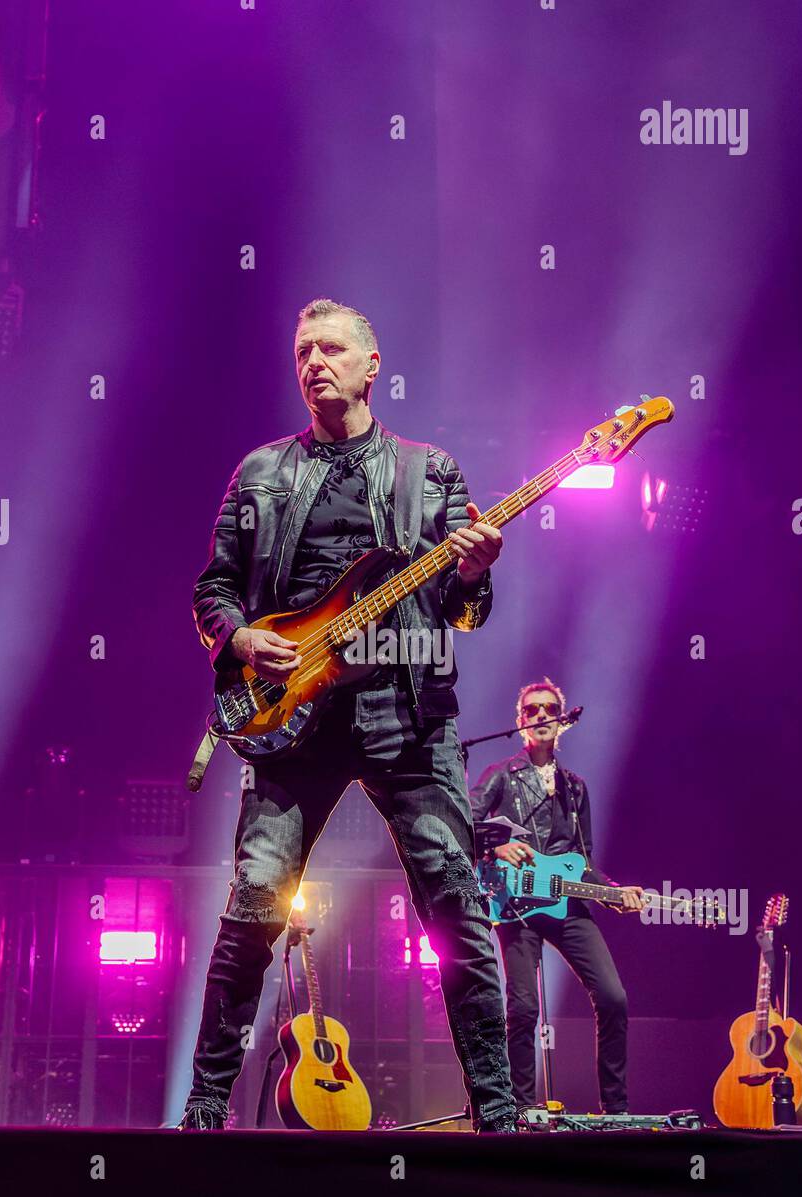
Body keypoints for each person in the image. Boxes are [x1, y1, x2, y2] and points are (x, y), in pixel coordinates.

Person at [180, 297, 518, 1132]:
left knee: (455, 907)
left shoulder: (429, 472)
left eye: (331, 349)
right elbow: (212, 590)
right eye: (302, 352)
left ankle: (500, 1114)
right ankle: (203, 1110)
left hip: (410, 719)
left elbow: (463, 611)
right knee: (253, 908)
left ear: (373, 367)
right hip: (292, 723)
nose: (313, 362)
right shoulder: (261, 472)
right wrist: (243, 635)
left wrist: (472, 575)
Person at [470, 679, 642, 1115]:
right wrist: (494, 847)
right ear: (521, 722)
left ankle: (617, 1109)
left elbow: (583, 859)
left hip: (566, 902)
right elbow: (461, 821)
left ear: (563, 720)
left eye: (550, 708)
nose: (542, 715)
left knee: (613, 997)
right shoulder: (500, 775)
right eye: (533, 710)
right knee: (524, 1006)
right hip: (516, 904)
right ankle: (522, 1108)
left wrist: (613, 893)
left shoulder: (575, 786)